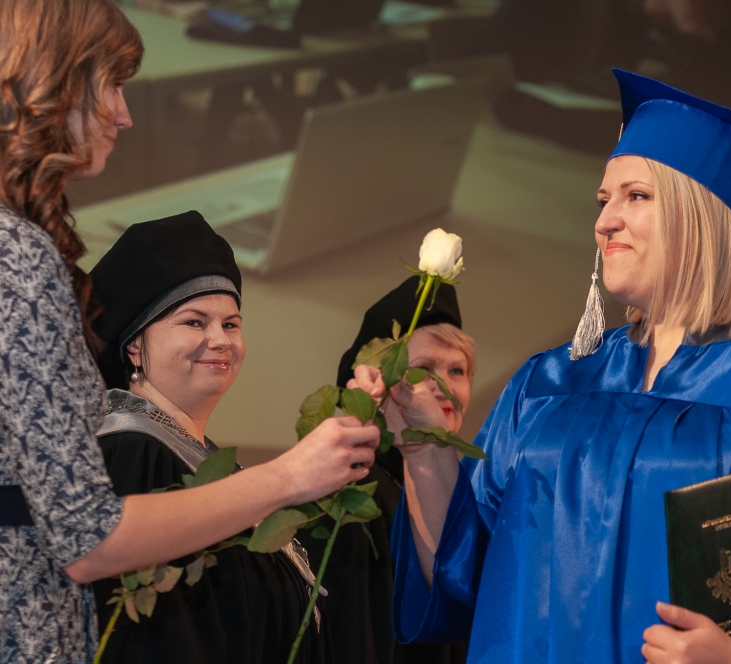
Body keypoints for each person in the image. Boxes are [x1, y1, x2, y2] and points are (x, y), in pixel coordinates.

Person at [357, 69, 731, 664]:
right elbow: (464, 578)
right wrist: (423, 447)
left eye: (636, 196)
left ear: (700, 214)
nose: (604, 222)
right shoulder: (548, 384)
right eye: (604, 201)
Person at [0, 2, 379, 662]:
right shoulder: (18, 257)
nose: (125, 114)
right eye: (112, 84)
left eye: (230, 322)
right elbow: (88, 537)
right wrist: (290, 476)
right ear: (55, 85)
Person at [85, 212, 337, 663]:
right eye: (195, 322)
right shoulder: (133, 450)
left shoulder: (203, 458)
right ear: (134, 346)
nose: (220, 340)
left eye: (231, 324)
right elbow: (155, 640)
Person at [300, 276, 474, 664]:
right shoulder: (348, 488)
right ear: (380, 384)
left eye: (458, 371)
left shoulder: (469, 495)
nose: (444, 386)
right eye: (424, 368)